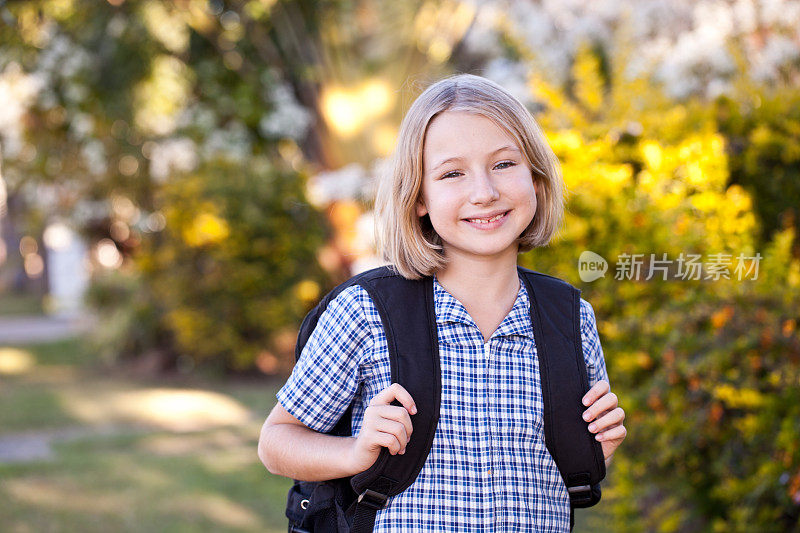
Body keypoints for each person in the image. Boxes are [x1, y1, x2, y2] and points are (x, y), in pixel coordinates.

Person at [258, 73, 626, 532]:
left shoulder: (570, 318)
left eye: (504, 164)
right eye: (452, 173)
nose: (484, 193)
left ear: (535, 176)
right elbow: (276, 442)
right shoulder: (366, 313)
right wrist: (354, 452)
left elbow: (564, 476)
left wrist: (591, 449)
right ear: (418, 198)